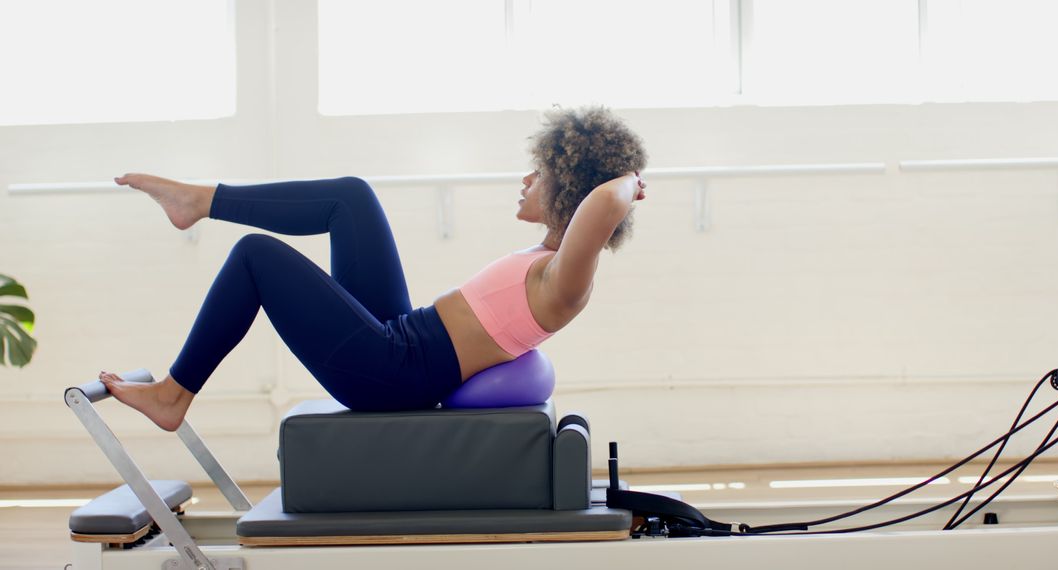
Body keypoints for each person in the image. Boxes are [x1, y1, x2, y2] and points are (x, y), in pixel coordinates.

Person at [98, 106, 648, 431]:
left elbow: (603, 204)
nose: (527, 178)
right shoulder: (543, 262)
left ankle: (174, 397)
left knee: (255, 255)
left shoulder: (564, 282)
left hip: (395, 373)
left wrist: (628, 180)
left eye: (543, 171)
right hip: (399, 339)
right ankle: (200, 200)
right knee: (351, 197)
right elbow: (594, 203)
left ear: (573, 187)